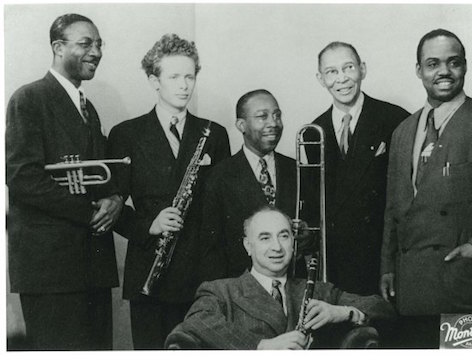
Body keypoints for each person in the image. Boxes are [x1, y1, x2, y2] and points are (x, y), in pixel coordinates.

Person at [6, 14, 122, 350]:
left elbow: (99, 175)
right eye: (86, 43)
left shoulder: (89, 108)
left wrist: (113, 200)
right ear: (58, 47)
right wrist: (89, 212)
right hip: (51, 271)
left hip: (92, 267)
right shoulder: (28, 99)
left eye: (99, 44)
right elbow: (22, 177)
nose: (97, 51)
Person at [107, 33, 230, 349]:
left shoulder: (214, 134)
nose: (184, 85)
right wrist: (150, 224)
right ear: (153, 81)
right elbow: (112, 207)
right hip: (150, 271)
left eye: (190, 76)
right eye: (174, 76)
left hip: (202, 275)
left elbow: (224, 206)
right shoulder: (126, 134)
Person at [380, 29, 472, 348]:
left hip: (465, 285)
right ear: (419, 70)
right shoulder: (403, 131)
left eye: (453, 62)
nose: (443, 72)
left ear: (465, 66)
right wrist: (388, 268)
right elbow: (394, 208)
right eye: (433, 64)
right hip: (410, 286)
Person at [166, 206, 395, 349]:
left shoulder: (317, 291)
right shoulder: (221, 291)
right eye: (265, 238)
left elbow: (383, 309)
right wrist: (260, 347)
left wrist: (344, 312)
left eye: (283, 236)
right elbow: (196, 321)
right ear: (248, 245)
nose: (277, 247)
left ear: (293, 242)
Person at [303, 42, 410, 296]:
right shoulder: (312, 132)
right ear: (320, 79)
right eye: (331, 72)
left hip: (383, 261)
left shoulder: (396, 119)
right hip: (337, 264)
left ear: (362, 69)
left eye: (348, 67)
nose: (341, 79)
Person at [198, 89, 301, 281]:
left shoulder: (297, 169)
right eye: (262, 116)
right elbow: (210, 250)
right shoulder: (218, 176)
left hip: (294, 287)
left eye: (277, 115)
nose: (273, 123)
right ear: (241, 125)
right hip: (242, 292)